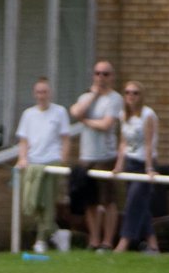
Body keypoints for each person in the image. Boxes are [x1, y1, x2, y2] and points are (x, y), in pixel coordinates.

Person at [69, 60, 124, 251]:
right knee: (90, 201)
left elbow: (106, 124)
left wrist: (85, 121)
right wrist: (93, 95)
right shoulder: (86, 96)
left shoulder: (115, 99)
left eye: (105, 74)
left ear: (112, 77)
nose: (101, 77)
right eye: (98, 73)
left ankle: (108, 241)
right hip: (87, 156)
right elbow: (75, 111)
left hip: (105, 156)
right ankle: (93, 240)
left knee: (108, 201)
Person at [15, 78, 72, 254]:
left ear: (50, 93)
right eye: (39, 92)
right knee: (32, 202)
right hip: (33, 164)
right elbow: (23, 141)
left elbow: (65, 139)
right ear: (34, 94)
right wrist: (22, 159)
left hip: (51, 162)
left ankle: (41, 240)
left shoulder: (59, 112)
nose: (42, 96)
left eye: (44, 92)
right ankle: (56, 232)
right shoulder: (28, 114)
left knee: (47, 203)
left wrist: (62, 160)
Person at [112, 81, 160, 254]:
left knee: (133, 203)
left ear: (141, 96)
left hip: (143, 163)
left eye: (135, 93)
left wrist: (149, 168)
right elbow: (123, 142)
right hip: (131, 163)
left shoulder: (147, 115)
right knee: (141, 205)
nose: (131, 96)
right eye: (128, 92)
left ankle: (123, 242)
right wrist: (119, 165)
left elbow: (148, 144)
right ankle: (153, 245)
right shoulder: (123, 115)